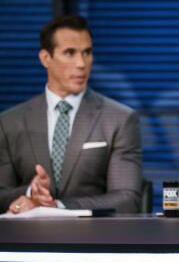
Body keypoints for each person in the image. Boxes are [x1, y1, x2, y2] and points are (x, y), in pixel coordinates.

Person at [0, 14, 142, 214]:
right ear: (45, 58)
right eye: (70, 53)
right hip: (27, 241)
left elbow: (127, 199)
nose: (81, 63)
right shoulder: (9, 122)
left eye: (87, 53)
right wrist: (32, 192)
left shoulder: (119, 119)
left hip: (93, 239)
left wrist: (57, 207)